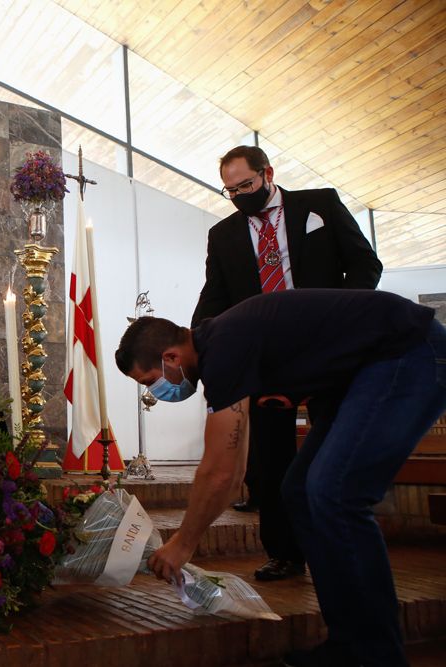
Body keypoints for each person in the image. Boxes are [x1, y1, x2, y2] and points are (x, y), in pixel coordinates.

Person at [115, 289, 446, 667]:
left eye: (150, 381)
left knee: (334, 492)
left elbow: (224, 469)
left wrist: (182, 544)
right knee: (302, 492)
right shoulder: (221, 346)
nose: (156, 392)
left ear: (171, 356)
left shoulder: (224, 348)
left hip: (409, 351)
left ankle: (375, 655)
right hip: (366, 373)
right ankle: (349, 644)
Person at [191, 145, 382, 582]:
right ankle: (284, 553)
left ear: (268, 174)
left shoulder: (319, 205)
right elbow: (214, 297)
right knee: (271, 460)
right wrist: (198, 340)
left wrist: (342, 323)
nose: (240, 195)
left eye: (247, 186)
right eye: (230, 190)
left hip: (327, 350)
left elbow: (365, 264)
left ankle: (343, 547)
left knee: (334, 445)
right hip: (268, 360)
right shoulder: (224, 235)